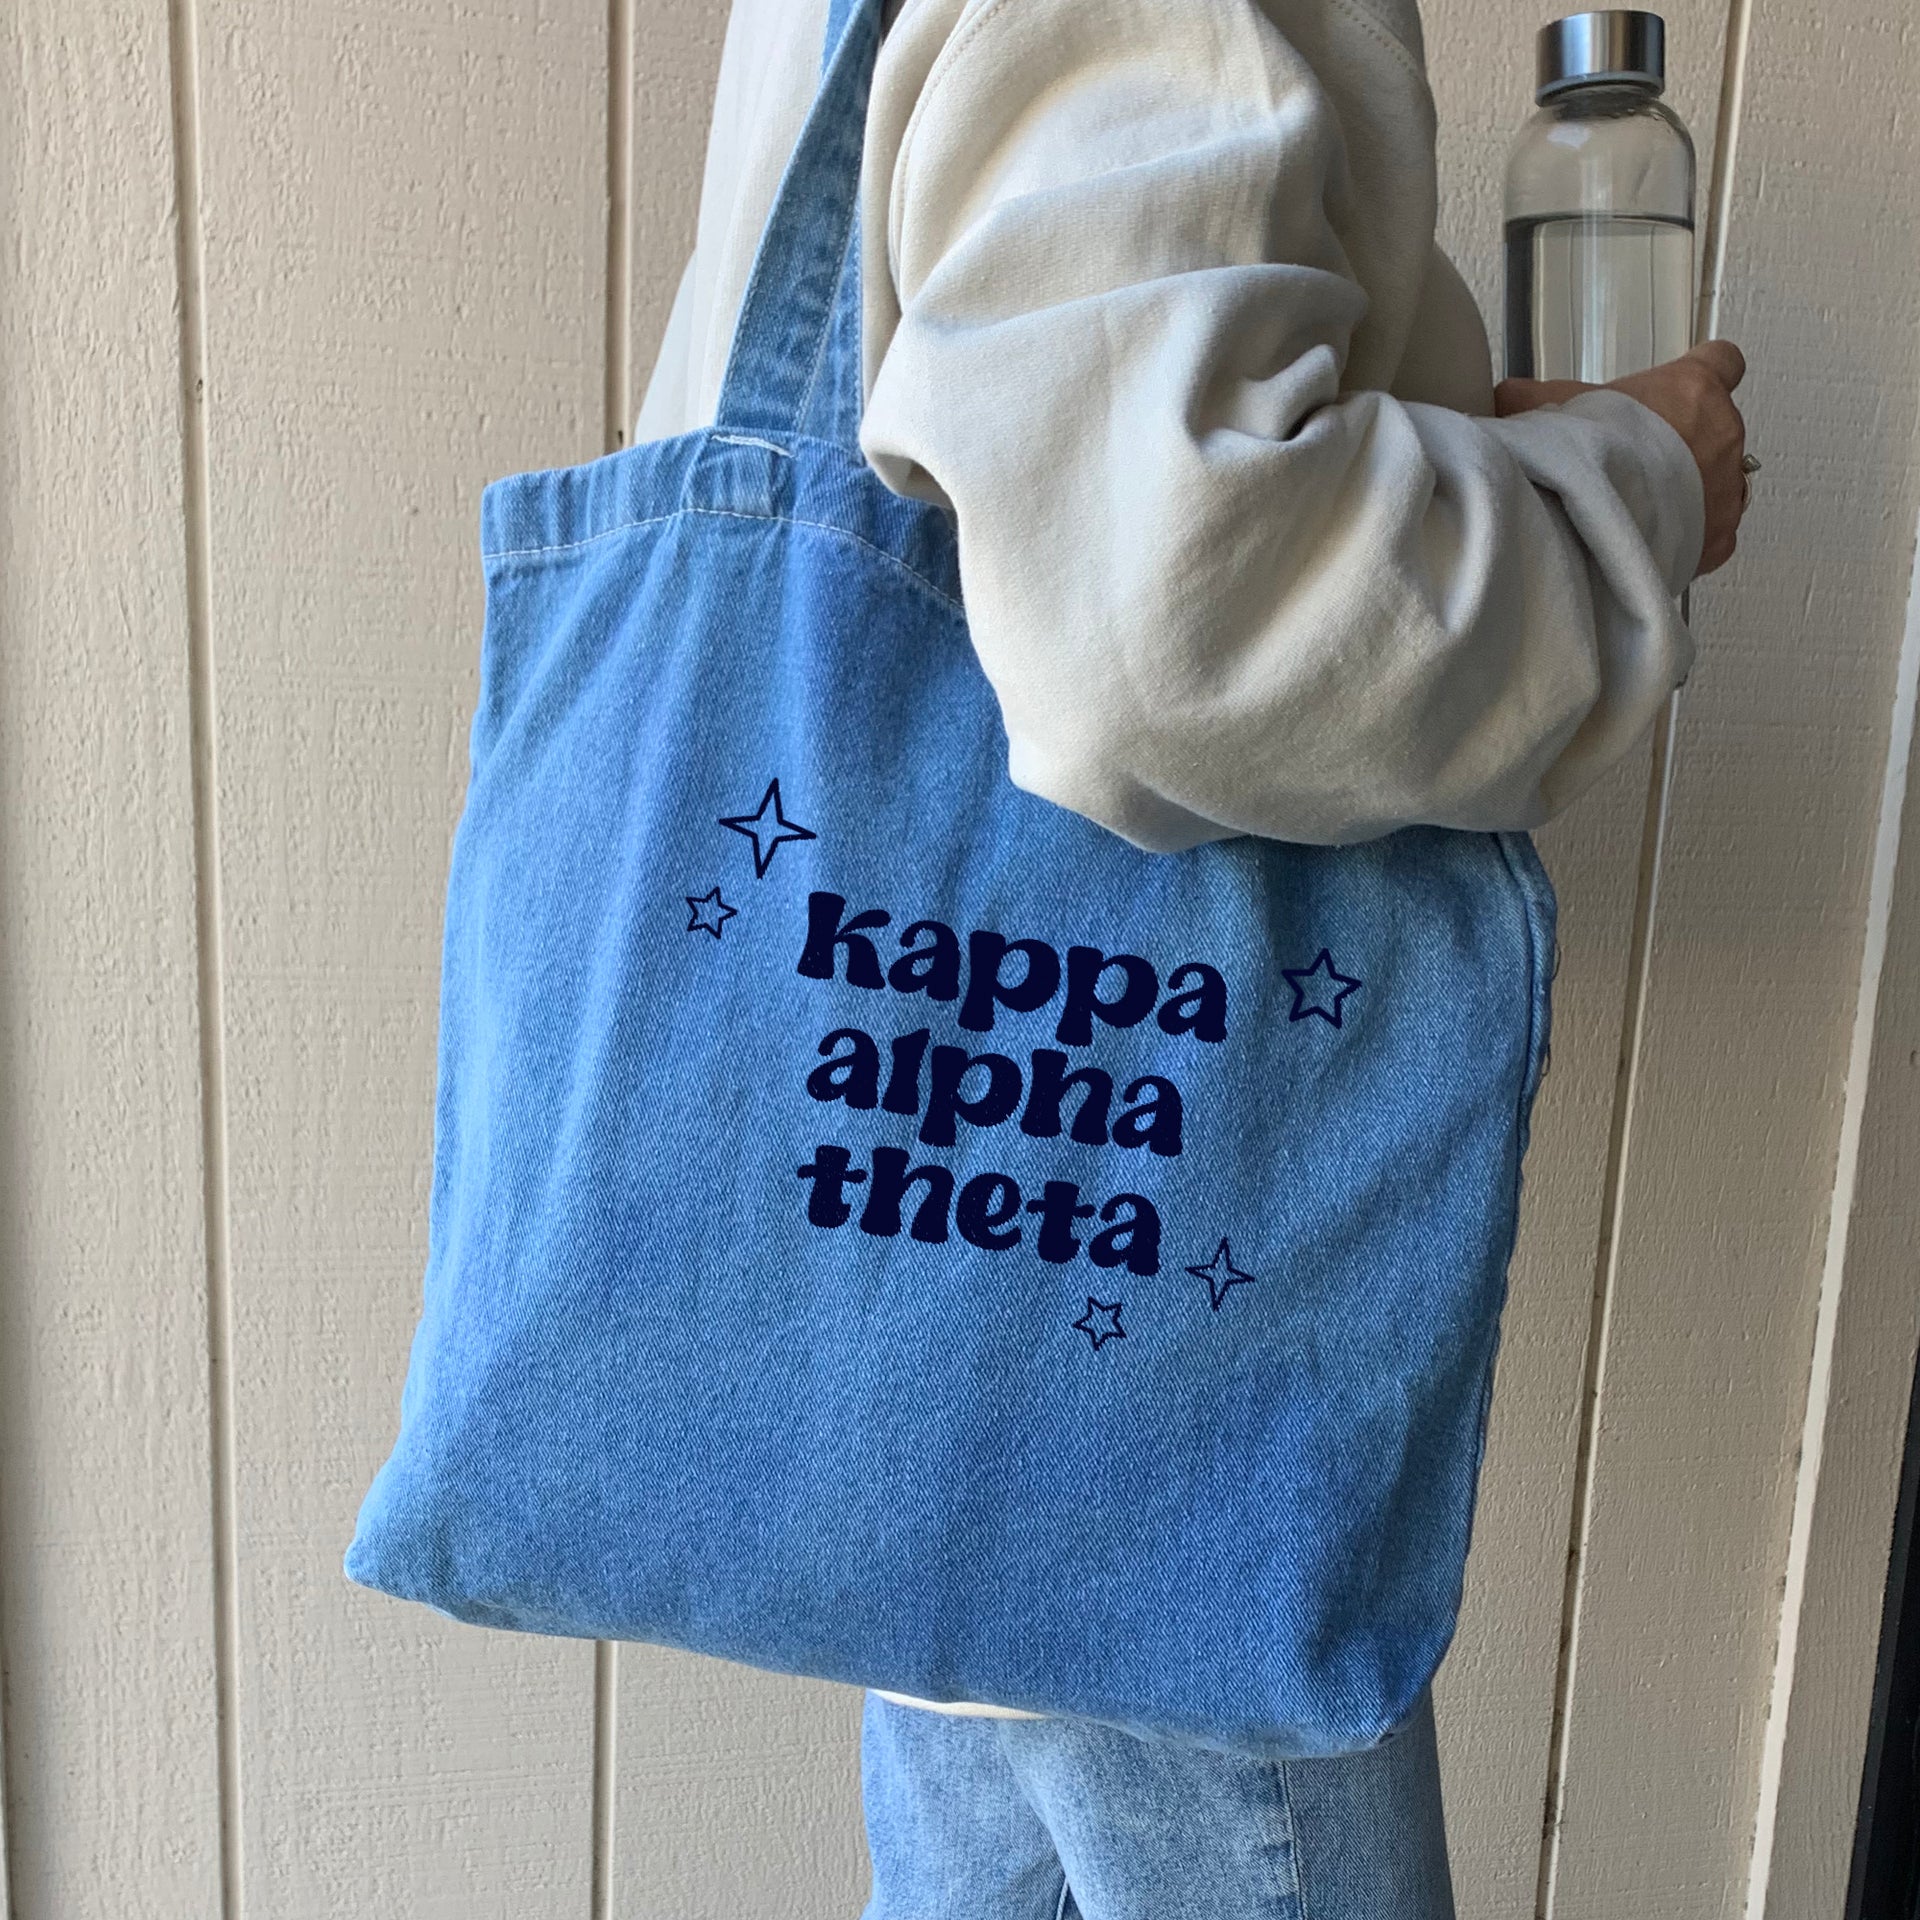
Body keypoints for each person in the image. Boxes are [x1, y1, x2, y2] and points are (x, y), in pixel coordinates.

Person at [636, 1, 1750, 1913]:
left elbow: (1044, 465)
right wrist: (1622, 491)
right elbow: (1173, 625)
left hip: (943, 1308)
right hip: (1124, 1339)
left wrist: (1398, 442)